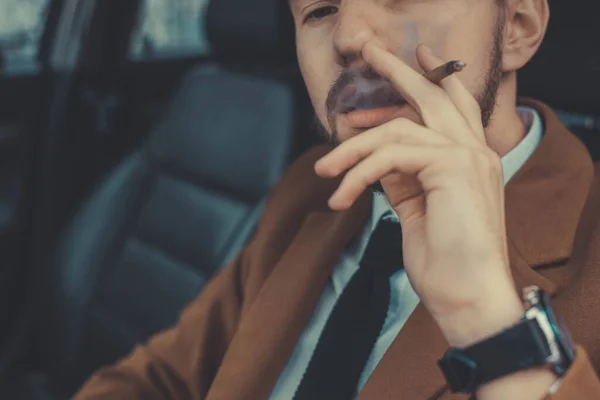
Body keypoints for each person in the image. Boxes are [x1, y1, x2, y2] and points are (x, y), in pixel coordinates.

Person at [75, 0, 600, 398]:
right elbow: (161, 378)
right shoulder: (313, 189)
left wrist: (486, 319)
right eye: (319, 10)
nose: (349, 36)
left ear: (518, 27)